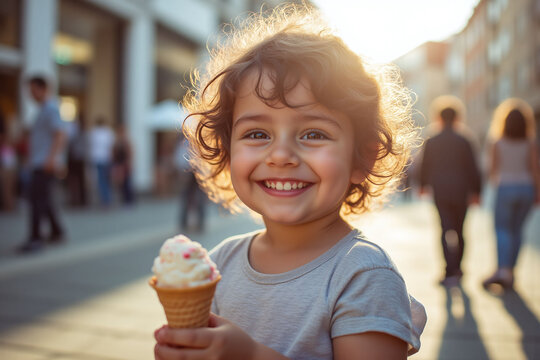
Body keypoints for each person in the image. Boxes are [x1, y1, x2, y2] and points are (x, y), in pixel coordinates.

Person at [153, 5, 426, 359]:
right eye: (256, 133)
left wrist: (249, 355)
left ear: (362, 159)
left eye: (313, 133)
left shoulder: (364, 276)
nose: (280, 155)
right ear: (227, 150)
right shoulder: (218, 264)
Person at [419, 95, 482, 287]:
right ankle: (459, 268)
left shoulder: (432, 140)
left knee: (445, 230)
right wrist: (477, 191)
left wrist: (422, 185)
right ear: (457, 117)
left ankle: (448, 270)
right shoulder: (464, 140)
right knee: (461, 230)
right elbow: (473, 167)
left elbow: (425, 166)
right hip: (461, 191)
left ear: (438, 117)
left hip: (440, 190)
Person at [483, 98, 539, 289]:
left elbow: (492, 170)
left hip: (505, 187)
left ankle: (503, 271)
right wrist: (537, 193)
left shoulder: (498, 142)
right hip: (526, 189)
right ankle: (510, 271)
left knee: (502, 230)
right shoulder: (530, 143)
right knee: (517, 231)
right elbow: (535, 170)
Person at [17, 75, 67, 253]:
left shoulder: (50, 109)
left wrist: (51, 159)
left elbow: (60, 134)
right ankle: (57, 231)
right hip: (40, 162)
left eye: (32, 90)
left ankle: (35, 237)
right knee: (43, 199)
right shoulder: (43, 110)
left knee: (36, 200)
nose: (30, 94)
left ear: (42, 89)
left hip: (44, 163)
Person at [174, 137, 207, 232]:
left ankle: (200, 223)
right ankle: (184, 222)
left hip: (198, 172)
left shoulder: (198, 142)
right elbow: (180, 157)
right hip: (188, 171)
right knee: (186, 197)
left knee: (198, 198)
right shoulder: (184, 143)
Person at [88, 117, 115, 207]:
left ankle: (105, 199)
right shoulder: (108, 132)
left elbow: (91, 146)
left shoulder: (94, 132)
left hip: (98, 158)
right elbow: (111, 147)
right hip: (105, 159)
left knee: (101, 180)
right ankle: (106, 199)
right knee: (105, 180)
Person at [111, 123, 135, 205]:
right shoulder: (117, 142)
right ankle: (124, 199)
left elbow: (130, 153)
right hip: (119, 164)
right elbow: (114, 153)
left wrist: (129, 163)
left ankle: (129, 200)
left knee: (127, 183)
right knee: (121, 183)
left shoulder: (125, 142)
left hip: (124, 164)